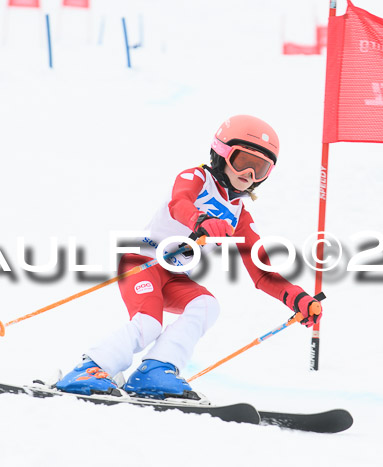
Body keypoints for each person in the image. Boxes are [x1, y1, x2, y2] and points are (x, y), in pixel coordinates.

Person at [56, 115, 322, 399]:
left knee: (207, 305)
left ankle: (156, 370)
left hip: (175, 276)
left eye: (260, 168)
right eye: (242, 161)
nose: (249, 174)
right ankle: (90, 368)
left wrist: (297, 298)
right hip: (141, 263)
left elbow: (262, 272)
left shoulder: (240, 217)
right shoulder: (196, 177)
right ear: (221, 153)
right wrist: (200, 220)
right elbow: (178, 203)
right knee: (149, 323)